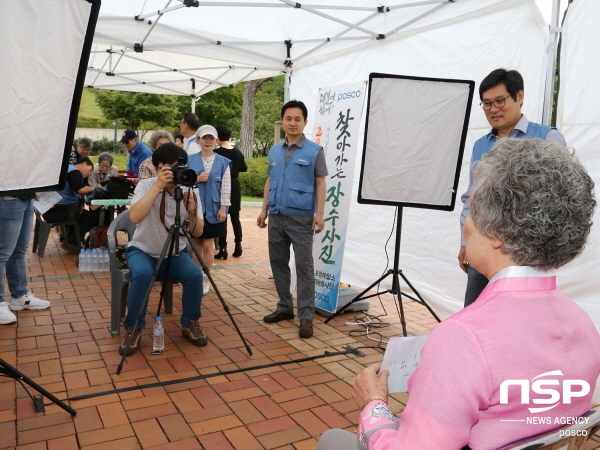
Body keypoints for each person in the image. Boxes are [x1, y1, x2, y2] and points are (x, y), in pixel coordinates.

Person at [317, 138, 600, 450]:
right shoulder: (583, 325)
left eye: (472, 210)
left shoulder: (464, 338)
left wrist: (374, 405)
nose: (465, 223)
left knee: (333, 440)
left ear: (497, 231)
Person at [459, 69, 567, 307]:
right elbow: (471, 199)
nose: (493, 109)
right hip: (484, 250)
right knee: (475, 312)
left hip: (525, 256)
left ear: (519, 96)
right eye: (487, 103)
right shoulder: (480, 145)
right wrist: (465, 242)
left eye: (500, 101)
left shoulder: (547, 138)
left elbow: (559, 200)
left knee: (520, 317)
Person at [119, 144, 206, 356]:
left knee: (195, 274)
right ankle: (134, 328)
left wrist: (193, 213)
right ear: (158, 168)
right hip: (142, 250)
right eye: (172, 168)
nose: (178, 172)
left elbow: (198, 231)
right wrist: (157, 186)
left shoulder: (189, 188)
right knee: (142, 274)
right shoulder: (145, 185)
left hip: (174, 253)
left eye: (181, 167)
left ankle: (190, 323)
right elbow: (135, 217)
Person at [256, 100, 327, 339]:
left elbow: (320, 182)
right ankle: (285, 307)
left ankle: (306, 316)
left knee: (304, 267)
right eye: (288, 118)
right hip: (276, 215)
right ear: (282, 121)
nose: (293, 123)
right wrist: (263, 209)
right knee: (278, 262)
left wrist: (320, 214)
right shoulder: (274, 151)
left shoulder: (314, 151)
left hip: (302, 218)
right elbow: (270, 181)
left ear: (305, 122)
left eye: (298, 119)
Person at [187, 125, 231, 295]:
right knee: (196, 244)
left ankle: (206, 277)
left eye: (211, 138)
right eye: (204, 138)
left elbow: (226, 187)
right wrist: (196, 179)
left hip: (214, 209)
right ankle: (195, 276)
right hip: (194, 209)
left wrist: (223, 208)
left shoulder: (223, 162)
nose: (207, 141)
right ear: (198, 140)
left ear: (216, 141)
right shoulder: (189, 160)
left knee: (208, 244)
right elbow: (183, 184)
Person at [0, 191, 50, 324]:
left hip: (26, 197)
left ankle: (19, 294)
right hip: (7, 196)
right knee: (3, 253)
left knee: (19, 250)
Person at [43, 157, 96, 254]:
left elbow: (81, 187)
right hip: (60, 210)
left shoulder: (67, 169)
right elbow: (80, 189)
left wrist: (90, 188)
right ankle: (71, 242)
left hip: (52, 209)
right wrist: (94, 189)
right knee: (91, 217)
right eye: (90, 170)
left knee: (80, 214)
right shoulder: (74, 172)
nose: (89, 174)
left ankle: (71, 240)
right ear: (84, 164)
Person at [214, 124, 247, 259]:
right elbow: (244, 168)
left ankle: (223, 249)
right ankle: (238, 246)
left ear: (217, 137)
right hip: (235, 184)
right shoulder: (237, 152)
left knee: (222, 218)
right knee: (235, 218)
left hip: (222, 185)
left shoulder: (217, 153)